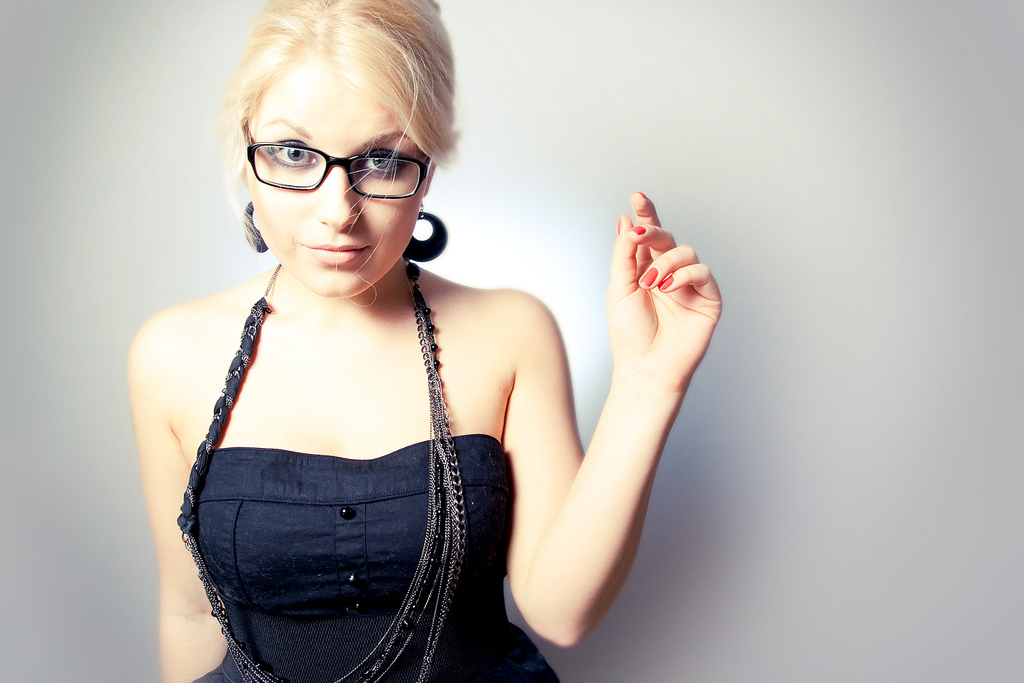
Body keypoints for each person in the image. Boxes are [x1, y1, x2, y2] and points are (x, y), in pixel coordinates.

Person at [128, 0, 722, 681]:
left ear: (428, 169)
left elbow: (561, 612)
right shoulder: (170, 355)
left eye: (382, 160)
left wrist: (649, 383)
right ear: (246, 148)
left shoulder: (511, 333)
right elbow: (190, 613)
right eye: (293, 153)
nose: (337, 211)